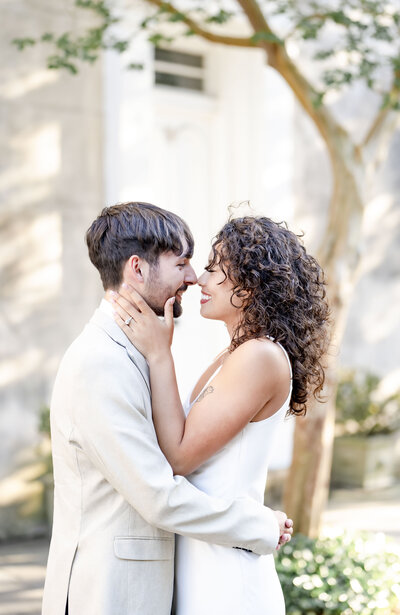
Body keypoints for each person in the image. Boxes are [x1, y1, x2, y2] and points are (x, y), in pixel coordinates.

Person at [41, 202, 293, 615]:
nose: (193, 278)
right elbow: (157, 493)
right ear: (138, 269)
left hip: (195, 579)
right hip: (108, 593)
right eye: (183, 264)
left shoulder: (141, 350)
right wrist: (259, 525)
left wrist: (160, 356)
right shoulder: (101, 361)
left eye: (206, 266)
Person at [112, 214, 330, 615]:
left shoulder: (259, 356)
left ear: (250, 282)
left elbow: (177, 457)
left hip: (229, 580)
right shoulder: (234, 355)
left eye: (214, 268)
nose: (199, 280)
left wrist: (160, 353)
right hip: (205, 562)